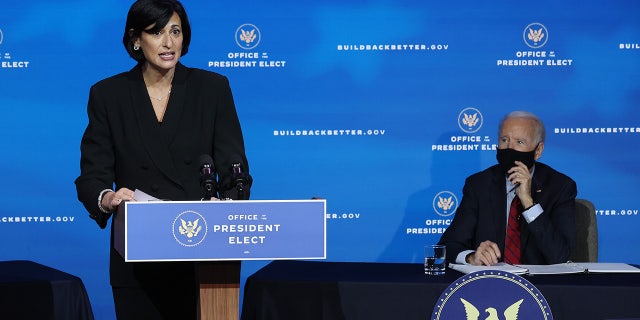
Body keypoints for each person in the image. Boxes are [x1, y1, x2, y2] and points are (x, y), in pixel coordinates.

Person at [74, 0, 251, 318]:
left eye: (176, 31)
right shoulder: (108, 95)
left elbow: (234, 167)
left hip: (202, 250)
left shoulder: (212, 89)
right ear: (136, 39)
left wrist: (227, 201)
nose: (169, 43)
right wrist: (109, 197)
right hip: (137, 256)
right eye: (156, 33)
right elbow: (92, 175)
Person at [438, 111, 576, 266]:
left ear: (538, 150)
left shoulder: (560, 187)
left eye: (519, 142)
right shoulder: (479, 185)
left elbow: (560, 256)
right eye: (504, 140)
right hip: (489, 283)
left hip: (540, 287)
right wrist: (472, 257)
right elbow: (448, 245)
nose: (509, 148)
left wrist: (528, 202)